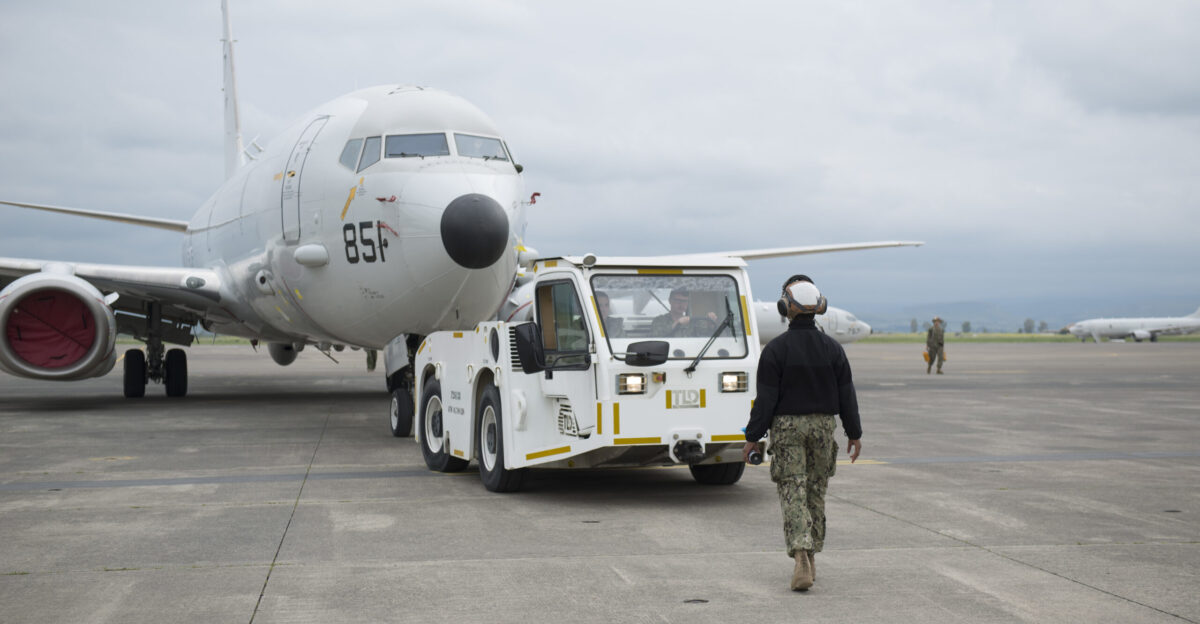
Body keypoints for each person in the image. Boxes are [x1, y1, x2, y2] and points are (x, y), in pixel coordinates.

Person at [742, 275, 862, 592]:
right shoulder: (833, 349)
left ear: (786, 308)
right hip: (824, 427)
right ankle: (812, 555)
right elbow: (847, 394)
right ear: (819, 308)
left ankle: (800, 555)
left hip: (787, 428)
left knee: (793, 491)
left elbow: (765, 400)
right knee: (815, 493)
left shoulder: (775, 351)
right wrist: (854, 433)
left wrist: (752, 436)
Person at [649, 288, 717, 336]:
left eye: (685, 301)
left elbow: (707, 338)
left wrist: (710, 325)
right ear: (670, 301)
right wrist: (677, 324)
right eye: (678, 300)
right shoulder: (659, 321)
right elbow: (654, 338)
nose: (681, 304)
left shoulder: (693, 322)